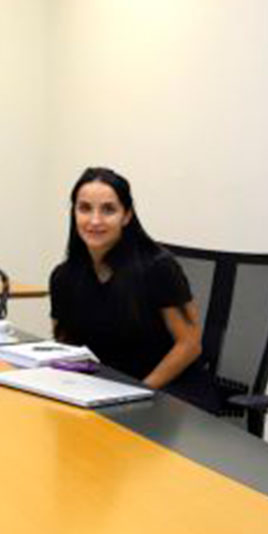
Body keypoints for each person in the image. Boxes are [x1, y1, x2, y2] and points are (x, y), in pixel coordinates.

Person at [49, 167, 206, 395]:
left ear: (126, 216)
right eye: (85, 208)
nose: (95, 220)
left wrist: (138, 391)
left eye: (108, 210)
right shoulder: (64, 277)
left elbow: (190, 345)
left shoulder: (158, 267)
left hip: (168, 392)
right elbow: (66, 346)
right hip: (103, 390)